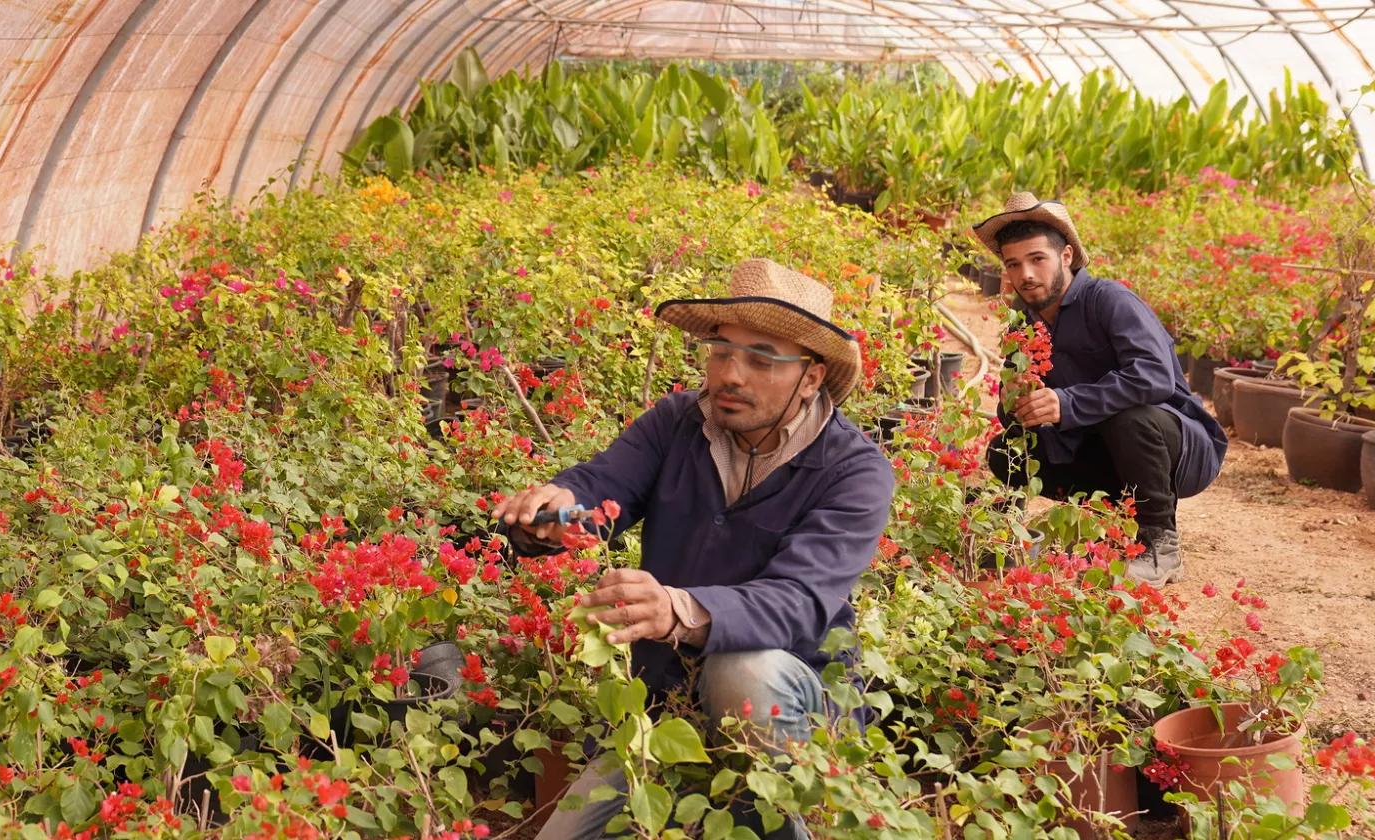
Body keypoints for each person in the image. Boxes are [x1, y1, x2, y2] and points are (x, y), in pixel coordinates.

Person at [492, 259, 895, 840]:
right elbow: (605, 484)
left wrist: (677, 609)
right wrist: (554, 514)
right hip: (666, 706)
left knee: (743, 670)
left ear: (811, 376)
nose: (731, 374)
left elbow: (798, 601)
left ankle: (793, 818)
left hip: (792, 707)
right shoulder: (678, 422)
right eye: (721, 351)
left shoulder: (854, 471)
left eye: (761, 359)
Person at [973, 193, 1226, 585]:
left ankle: (1161, 545)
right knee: (1006, 446)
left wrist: (1066, 402)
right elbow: (1016, 419)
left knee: (1130, 419)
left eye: (1037, 259)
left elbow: (1154, 376)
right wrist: (1020, 400)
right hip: (1100, 456)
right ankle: (1007, 535)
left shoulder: (1109, 300)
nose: (1026, 274)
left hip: (1174, 452)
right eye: (1014, 264)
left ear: (1067, 256)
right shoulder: (1022, 326)